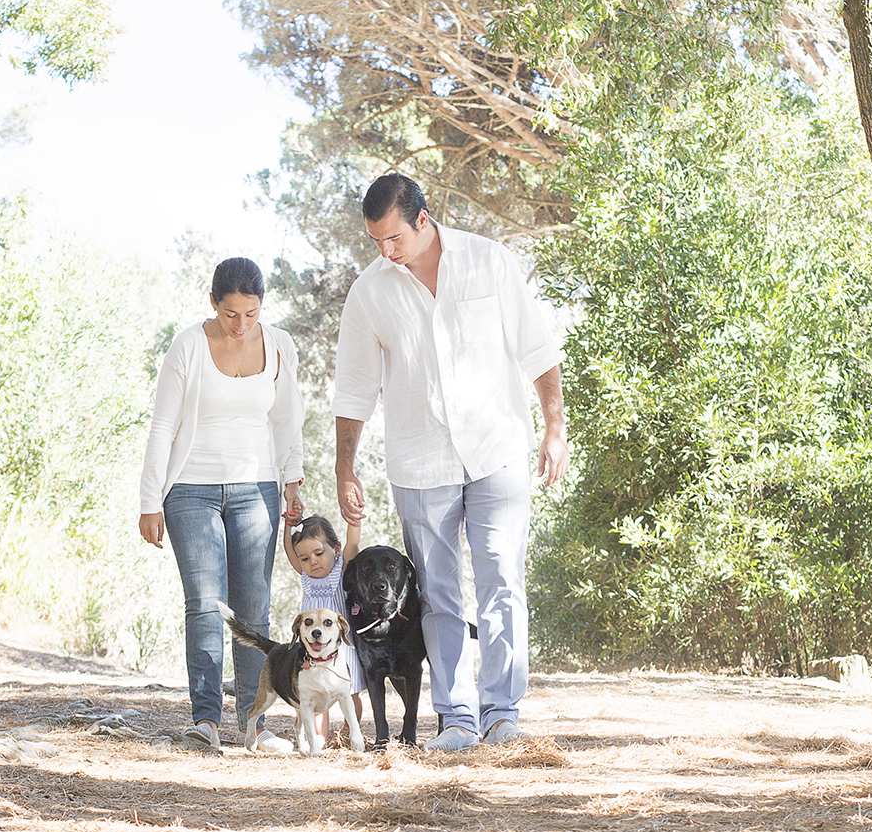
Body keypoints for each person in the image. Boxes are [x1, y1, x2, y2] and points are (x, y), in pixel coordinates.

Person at [332, 173, 567, 752]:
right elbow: (355, 388)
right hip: (420, 461)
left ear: (422, 218)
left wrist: (555, 427)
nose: (386, 251)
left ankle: (502, 713)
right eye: (375, 241)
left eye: (393, 238)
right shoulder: (369, 292)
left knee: (501, 580)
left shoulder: (491, 263)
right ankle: (457, 720)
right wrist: (344, 467)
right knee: (437, 595)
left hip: (498, 449)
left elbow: (537, 348)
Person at [139, 256, 305, 752]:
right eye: (231, 313)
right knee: (206, 604)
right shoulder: (188, 345)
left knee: (253, 608)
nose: (241, 325)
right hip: (190, 489)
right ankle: (206, 720)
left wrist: (291, 482)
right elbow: (163, 426)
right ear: (213, 303)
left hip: (256, 489)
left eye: (251, 314)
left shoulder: (278, 346)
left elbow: (287, 421)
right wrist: (150, 501)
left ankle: (253, 722)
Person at [283, 512, 364, 741]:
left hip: (341, 648)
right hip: (312, 649)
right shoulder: (305, 576)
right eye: (305, 558)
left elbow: (353, 543)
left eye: (319, 553)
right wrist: (289, 523)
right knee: (316, 694)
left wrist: (353, 520)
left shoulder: (340, 572)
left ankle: (351, 731)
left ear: (335, 549)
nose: (313, 562)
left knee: (350, 691)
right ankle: (319, 736)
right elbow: (289, 549)